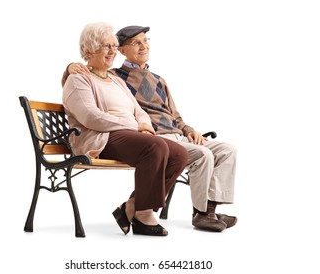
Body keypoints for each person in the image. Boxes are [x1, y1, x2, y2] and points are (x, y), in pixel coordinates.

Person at [62, 25, 238, 232]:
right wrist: (69, 67)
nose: (143, 46)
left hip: (157, 134)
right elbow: (88, 109)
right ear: (121, 51)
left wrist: (186, 130)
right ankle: (189, 214)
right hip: (120, 136)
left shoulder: (140, 81)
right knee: (185, 152)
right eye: (135, 43)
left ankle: (204, 210)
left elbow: (164, 113)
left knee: (220, 150)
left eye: (146, 41)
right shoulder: (113, 74)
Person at [62, 22, 188, 236]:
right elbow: (91, 117)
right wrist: (135, 126)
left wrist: (145, 124)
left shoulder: (114, 79)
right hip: (100, 138)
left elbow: (137, 109)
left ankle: (132, 207)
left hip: (128, 135)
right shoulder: (78, 80)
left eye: (114, 45)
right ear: (90, 49)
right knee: (155, 147)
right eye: (106, 46)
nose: (113, 51)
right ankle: (144, 214)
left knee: (179, 153)